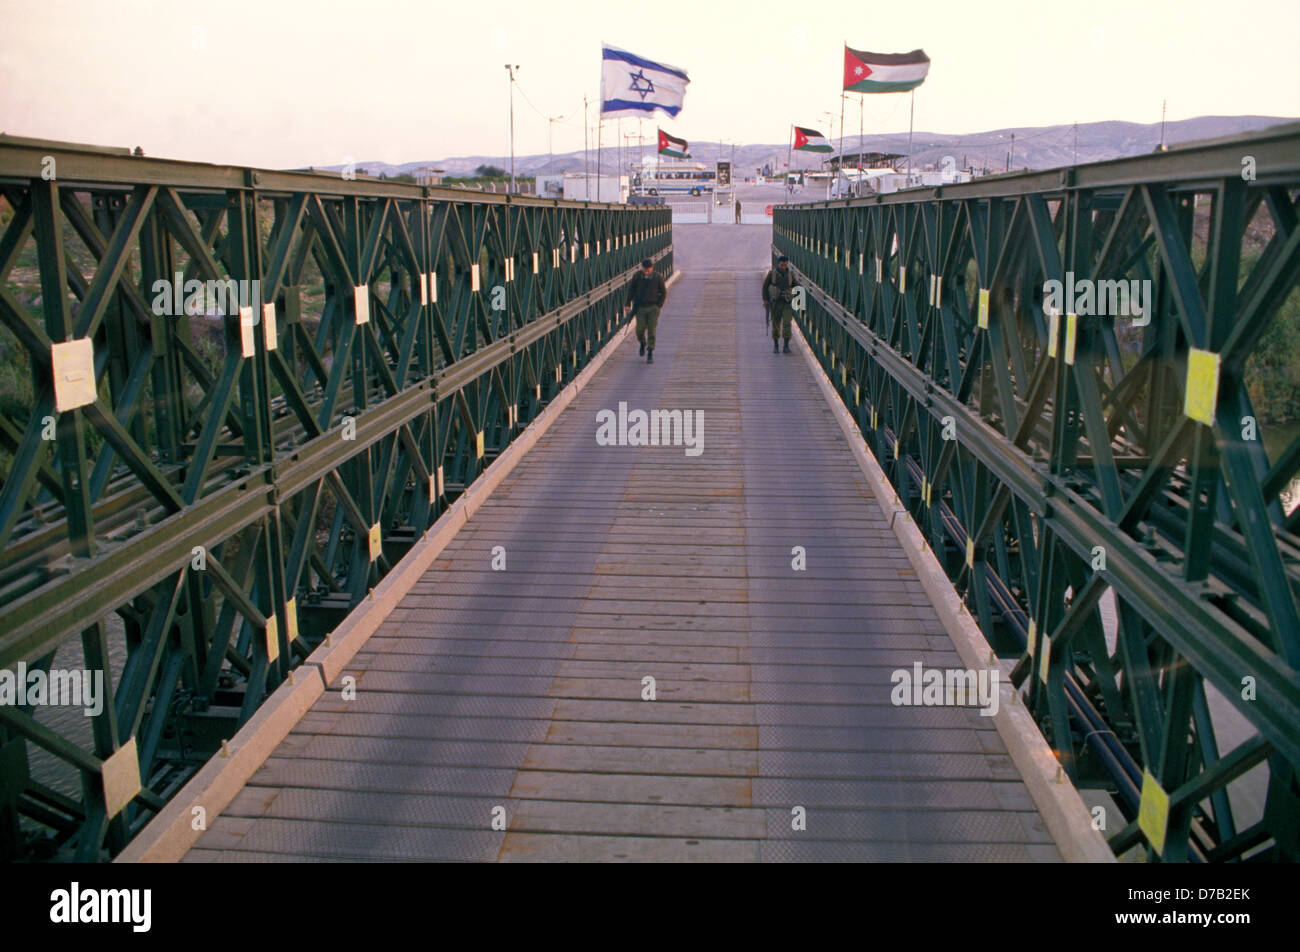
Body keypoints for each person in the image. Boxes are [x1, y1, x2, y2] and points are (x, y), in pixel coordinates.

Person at [625, 258, 667, 363]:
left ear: (652, 268)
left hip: (653, 307)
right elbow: (631, 290)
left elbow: (663, 292)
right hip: (640, 307)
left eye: (648, 269)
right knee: (640, 329)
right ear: (642, 268)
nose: (647, 271)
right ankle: (643, 342)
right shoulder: (637, 276)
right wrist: (627, 304)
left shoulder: (657, 277)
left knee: (652, 330)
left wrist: (659, 305)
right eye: (645, 269)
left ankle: (650, 352)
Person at [761, 255, 798, 354]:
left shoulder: (790, 274)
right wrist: (765, 299)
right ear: (778, 264)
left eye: (785, 265)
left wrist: (797, 299)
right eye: (782, 265)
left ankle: (786, 346)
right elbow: (765, 287)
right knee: (776, 324)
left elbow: (796, 286)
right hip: (775, 303)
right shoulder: (772, 274)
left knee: (787, 323)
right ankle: (776, 345)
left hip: (787, 302)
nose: (783, 267)